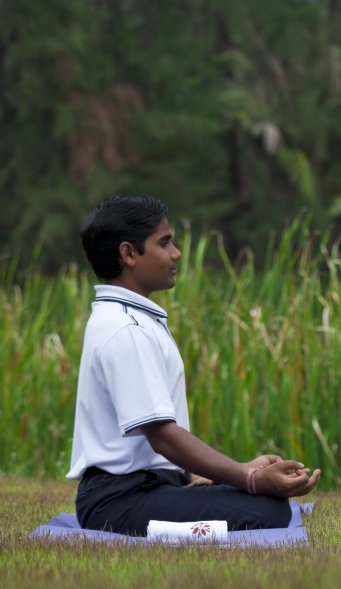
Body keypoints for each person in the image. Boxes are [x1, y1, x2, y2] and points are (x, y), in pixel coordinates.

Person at [68, 195, 320, 535]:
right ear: (128, 253)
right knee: (267, 509)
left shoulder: (131, 319)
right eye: (165, 243)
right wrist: (249, 478)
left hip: (143, 488)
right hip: (118, 502)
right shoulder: (126, 329)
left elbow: (154, 446)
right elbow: (163, 438)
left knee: (264, 505)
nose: (176, 254)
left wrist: (225, 474)